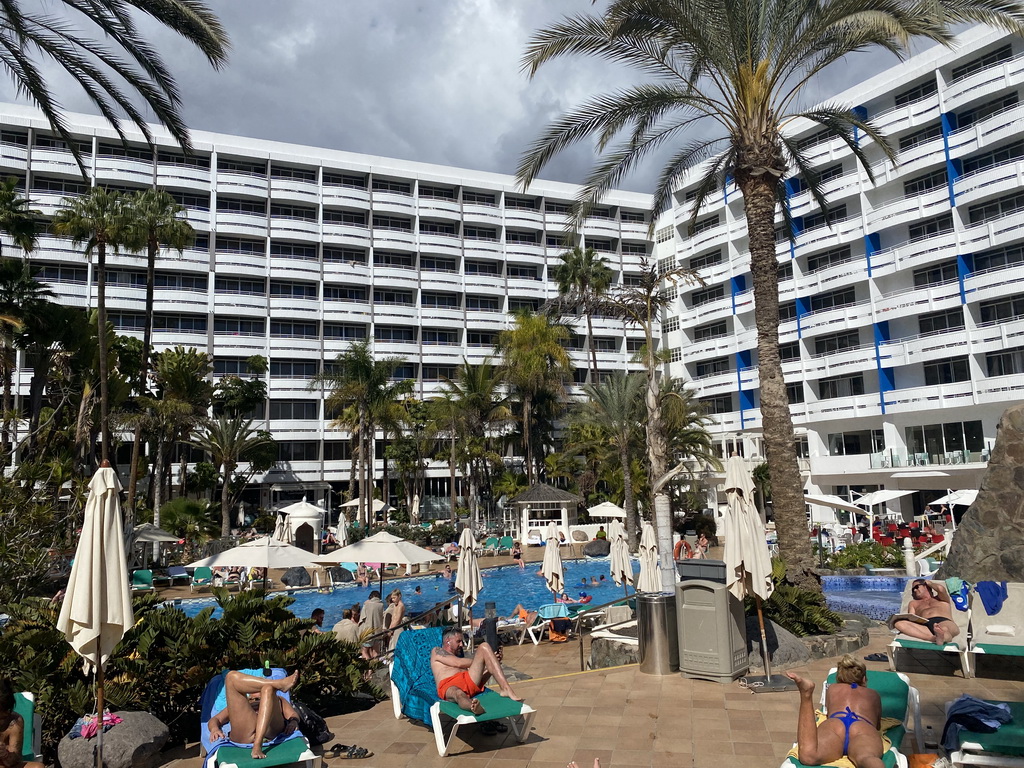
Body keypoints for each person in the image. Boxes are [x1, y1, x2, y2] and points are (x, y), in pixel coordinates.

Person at [786, 655, 884, 768]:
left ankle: (806, 694)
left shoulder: (832, 688)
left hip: (835, 725)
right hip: (862, 726)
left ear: (839, 677)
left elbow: (828, 712)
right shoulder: (873, 694)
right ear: (863, 679)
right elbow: (877, 725)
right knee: (867, 758)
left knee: (809, 756)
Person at [207, 670, 300, 760]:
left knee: (268, 689)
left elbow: (292, 714)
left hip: (271, 731)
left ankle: (257, 745)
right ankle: (278, 684)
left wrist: (294, 722)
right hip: (245, 734)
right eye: (257, 684)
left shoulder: (278, 700)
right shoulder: (242, 704)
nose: (258, 688)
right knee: (230, 677)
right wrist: (215, 729)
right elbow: (216, 719)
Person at [430, 628, 522, 715]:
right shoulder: (437, 651)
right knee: (458, 694)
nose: (462, 645)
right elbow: (458, 663)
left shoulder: (460, 658)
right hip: (448, 685)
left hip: (467, 679)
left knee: (484, 646)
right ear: (448, 641)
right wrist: (486, 660)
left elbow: (479, 682)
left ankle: (505, 688)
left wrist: (492, 662)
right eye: (458, 641)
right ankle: (473, 706)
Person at [891, 579, 959, 645]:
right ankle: (932, 638)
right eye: (913, 589)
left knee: (944, 629)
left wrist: (930, 583)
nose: (915, 590)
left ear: (925, 585)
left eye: (916, 587)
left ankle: (942, 637)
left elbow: (940, 589)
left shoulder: (941, 598)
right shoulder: (913, 603)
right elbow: (911, 618)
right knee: (898, 623)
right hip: (925, 625)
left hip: (944, 621)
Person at [0, 679, 43, 768]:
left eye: (3, 717)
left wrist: (5, 754)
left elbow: (14, 760)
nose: (1, 722)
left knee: (37, 767)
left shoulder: (14, 722)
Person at [358, 590, 385, 659]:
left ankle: (369, 668)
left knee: (364, 651)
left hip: (368, 632)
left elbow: (362, 619)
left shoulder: (366, 605)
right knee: (376, 651)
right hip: (378, 632)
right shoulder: (381, 605)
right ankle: (375, 666)